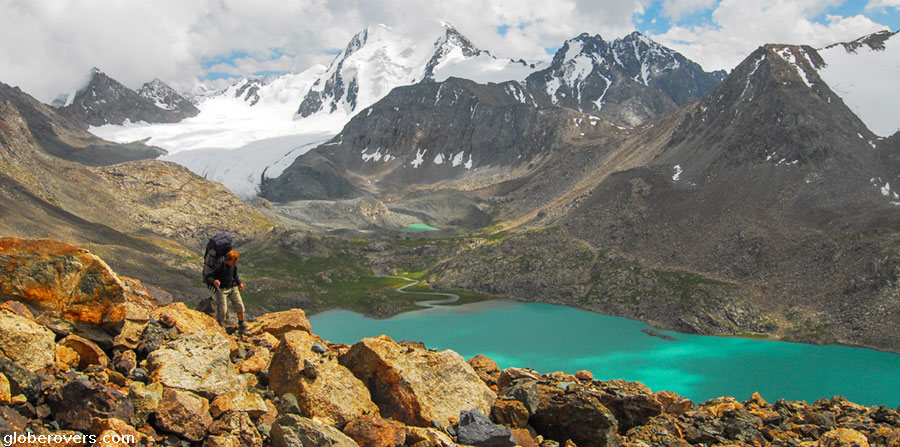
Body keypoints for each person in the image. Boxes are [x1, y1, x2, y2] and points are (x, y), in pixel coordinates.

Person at [206, 249, 248, 335]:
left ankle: (242, 326)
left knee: (240, 306)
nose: (235, 263)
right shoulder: (219, 266)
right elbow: (209, 277)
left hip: (233, 287)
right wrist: (214, 281)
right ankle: (219, 326)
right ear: (228, 260)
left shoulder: (233, 266)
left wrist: (239, 283)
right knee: (223, 310)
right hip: (222, 289)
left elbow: (235, 275)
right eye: (234, 261)